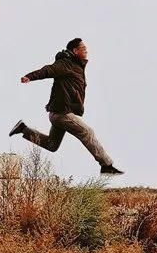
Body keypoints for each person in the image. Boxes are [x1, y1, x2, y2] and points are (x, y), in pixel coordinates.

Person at [10, 38, 124, 175]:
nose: (86, 50)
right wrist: (30, 77)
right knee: (87, 132)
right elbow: (48, 70)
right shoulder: (66, 64)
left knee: (52, 145)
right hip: (62, 113)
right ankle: (106, 165)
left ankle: (23, 129)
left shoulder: (77, 65)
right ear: (75, 51)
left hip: (58, 113)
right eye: (83, 48)